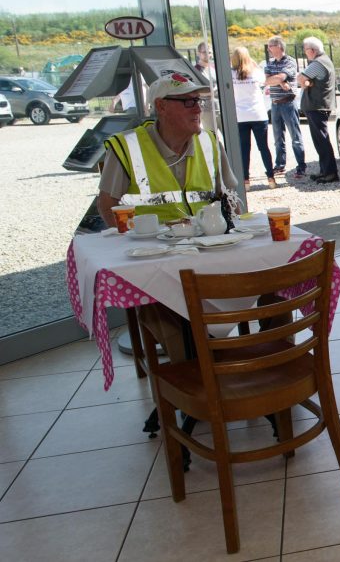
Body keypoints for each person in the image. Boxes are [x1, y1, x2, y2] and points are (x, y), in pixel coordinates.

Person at [96, 72, 239, 363]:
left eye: (198, 101)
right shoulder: (127, 148)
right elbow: (107, 205)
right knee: (159, 305)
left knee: (276, 279)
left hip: (209, 253)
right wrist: (132, 248)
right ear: (160, 107)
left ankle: (275, 369)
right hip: (157, 259)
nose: (198, 109)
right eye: (187, 102)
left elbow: (229, 200)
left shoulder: (210, 142)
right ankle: (193, 383)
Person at [231, 46, 277, 190]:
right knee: (263, 147)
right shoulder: (256, 72)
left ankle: (245, 181)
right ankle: (270, 178)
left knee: (244, 149)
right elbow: (263, 80)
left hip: (240, 115)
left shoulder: (230, 74)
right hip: (258, 114)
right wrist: (253, 63)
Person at [264, 35, 306, 179]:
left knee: (295, 136)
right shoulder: (269, 63)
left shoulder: (290, 62)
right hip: (275, 104)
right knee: (277, 137)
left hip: (288, 102)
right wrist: (280, 82)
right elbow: (267, 80)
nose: (269, 48)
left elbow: (279, 77)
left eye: (271, 45)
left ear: (279, 47)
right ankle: (280, 164)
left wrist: (278, 80)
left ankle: (301, 166)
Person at [298, 37, 338, 183]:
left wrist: (306, 82)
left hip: (317, 106)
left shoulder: (318, 62)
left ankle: (330, 173)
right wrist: (307, 82)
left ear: (312, 50)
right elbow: (305, 80)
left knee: (322, 141)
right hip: (319, 105)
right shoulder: (324, 61)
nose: (305, 53)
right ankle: (325, 171)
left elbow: (300, 78)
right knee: (320, 140)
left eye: (306, 50)